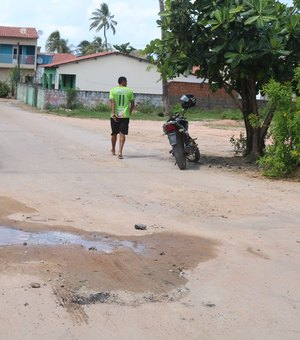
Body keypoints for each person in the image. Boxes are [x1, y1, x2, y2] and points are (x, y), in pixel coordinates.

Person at [109, 76, 135, 159]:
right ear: (123, 82)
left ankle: (113, 149)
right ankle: (120, 152)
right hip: (125, 115)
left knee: (114, 133)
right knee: (122, 133)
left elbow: (112, 102)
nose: (127, 83)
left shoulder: (113, 90)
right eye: (126, 81)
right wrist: (129, 112)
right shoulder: (130, 91)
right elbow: (132, 104)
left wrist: (113, 113)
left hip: (115, 115)